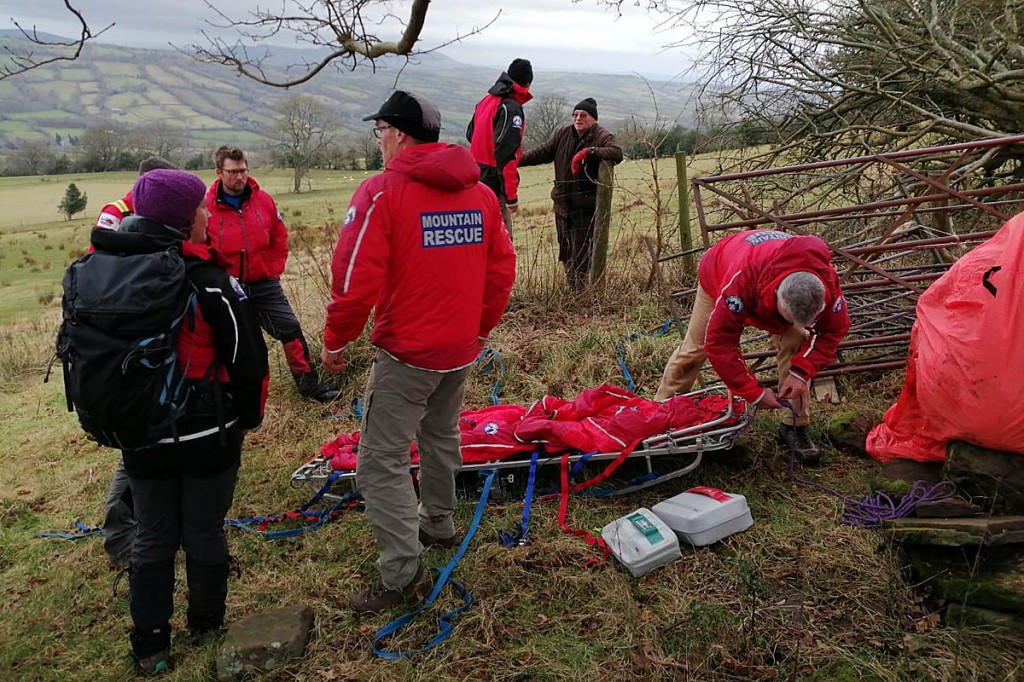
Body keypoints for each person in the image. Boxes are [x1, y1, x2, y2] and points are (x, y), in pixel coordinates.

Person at [321, 91, 516, 614]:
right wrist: (479, 330)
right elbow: (501, 271)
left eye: (380, 131)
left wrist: (336, 339)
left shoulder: (381, 193)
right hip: (460, 347)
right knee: (440, 433)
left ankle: (403, 575)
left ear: (399, 133)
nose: (378, 141)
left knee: (379, 463)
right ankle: (438, 522)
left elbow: (353, 280)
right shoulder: (481, 194)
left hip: (407, 353)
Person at [92, 169, 268, 674]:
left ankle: (150, 645)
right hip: (207, 432)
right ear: (184, 220)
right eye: (200, 208)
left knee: (152, 535)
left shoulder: (110, 275)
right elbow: (249, 362)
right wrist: (247, 420)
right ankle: (206, 626)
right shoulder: (211, 282)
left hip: (140, 435)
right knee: (204, 530)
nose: (208, 212)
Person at [653, 229, 852, 464]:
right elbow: (720, 344)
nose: (791, 325)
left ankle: (794, 426)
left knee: (796, 342)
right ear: (776, 294)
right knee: (695, 349)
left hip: (772, 286)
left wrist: (800, 374)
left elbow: (832, 332)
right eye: (788, 319)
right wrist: (754, 394)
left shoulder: (828, 284)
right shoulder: (742, 280)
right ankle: (659, 420)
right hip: (721, 270)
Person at [93, 155, 180, 570]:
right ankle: (120, 539)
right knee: (137, 448)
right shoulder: (116, 213)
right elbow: (103, 273)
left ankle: (153, 527)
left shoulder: (158, 216)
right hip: (128, 348)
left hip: (152, 344)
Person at [206, 145, 339, 403]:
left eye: (243, 170)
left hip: (263, 283)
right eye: (233, 172)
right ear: (219, 172)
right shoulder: (206, 206)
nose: (240, 177)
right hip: (225, 287)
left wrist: (273, 270)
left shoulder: (263, 200)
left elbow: (279, 236)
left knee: (290, 328)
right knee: (231, 343)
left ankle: (311, 388)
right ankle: (228, 398)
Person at [518, 97, 623, 289]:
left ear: (594, 119)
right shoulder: (562, 133)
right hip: (562, 205)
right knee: (566, 252)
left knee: (581, 254)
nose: (578, 118)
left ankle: (582, 292)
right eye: (575, 114)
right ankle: (573, 289)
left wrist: (588, 153)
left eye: (583, 115)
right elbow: (543, 152)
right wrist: (515, 161)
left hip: (585, 207)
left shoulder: (601, 136)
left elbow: (616, 153)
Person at [466, 57, 533, 239]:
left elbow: (470, 135)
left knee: (480, 238)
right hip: (495, 184)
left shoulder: (486, 100)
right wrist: (511, 196)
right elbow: (506, 153)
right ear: (528, 84)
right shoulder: (511, 109)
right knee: (501, 242)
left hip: (475, 178)